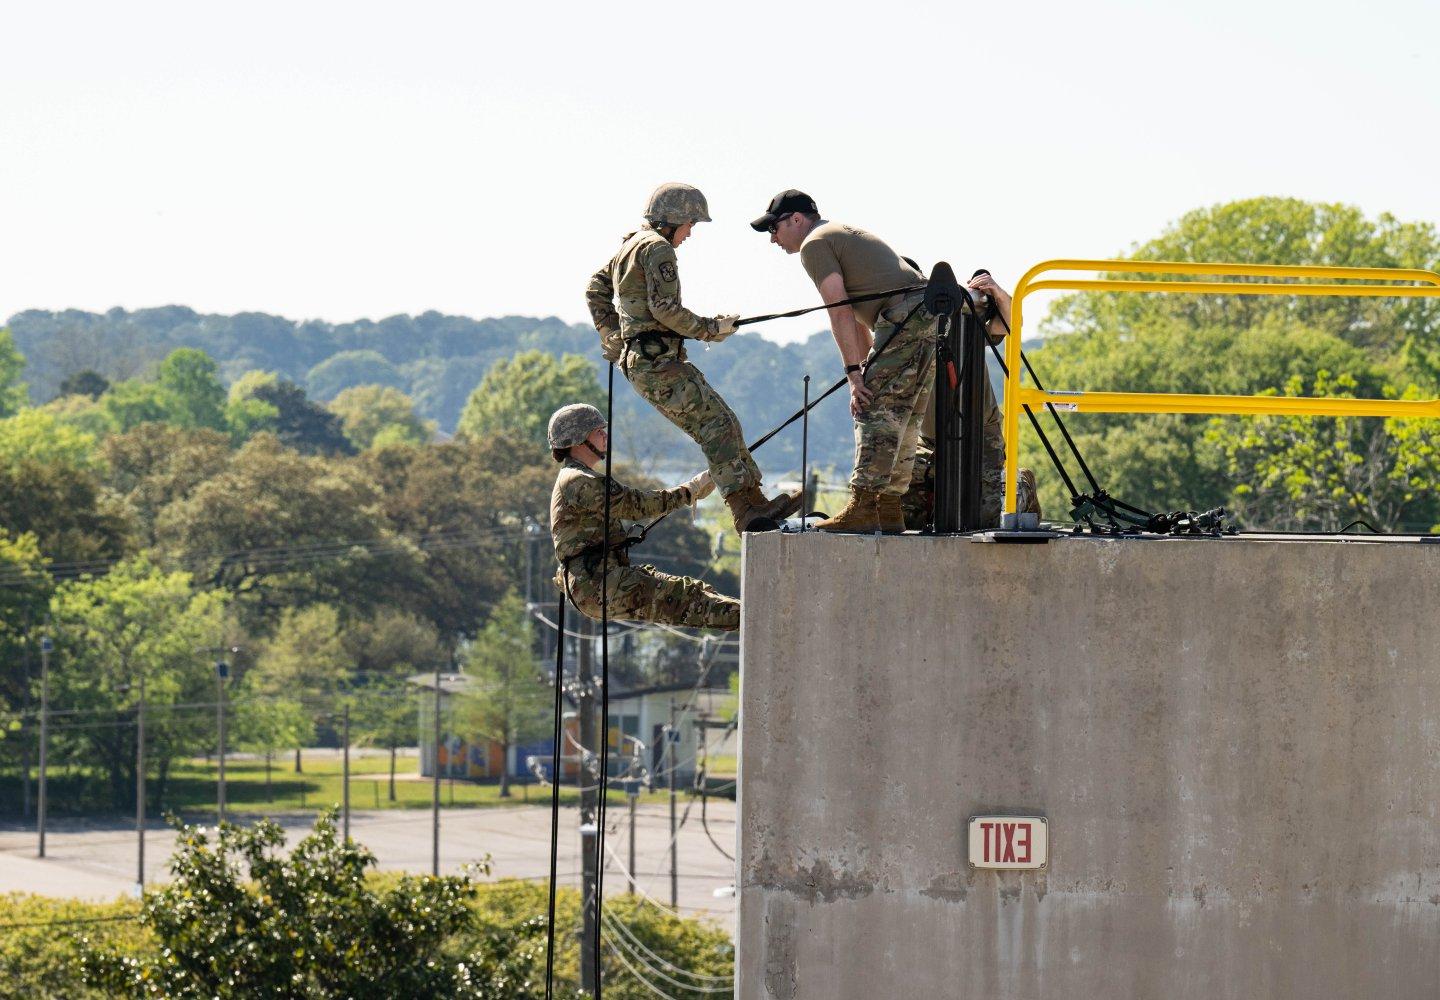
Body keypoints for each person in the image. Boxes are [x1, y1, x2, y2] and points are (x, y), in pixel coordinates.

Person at [586, 182, 800, 533]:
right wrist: (711, 328)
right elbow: (665, 309)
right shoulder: (657, 249)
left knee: (723, 423)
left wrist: (609, 332)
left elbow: (595, 287)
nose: (690, 233)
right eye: (691, 225)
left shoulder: (631, 246)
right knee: (716, 428)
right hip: (656, 362)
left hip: (650, 362)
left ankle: (753, 502)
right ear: (673, 219)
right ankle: (745, 509)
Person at [753, 189, 932, 533]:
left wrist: (855, 376)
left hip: (905, 316)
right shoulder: (838, 233)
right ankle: (889, 508)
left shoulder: (814, 244)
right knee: (904, 415)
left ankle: (864, 505)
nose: (772, 239)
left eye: (774, 228)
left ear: (796, 220)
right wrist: (866, 366)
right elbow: (856, 311)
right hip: (926, 312)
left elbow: (838, 309)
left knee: (873, 407)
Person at [547, 403, 739, 631]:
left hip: (598, 582)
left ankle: (754, 616)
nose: (605, 436)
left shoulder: (575, 477)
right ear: (578, 439)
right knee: (690, 601)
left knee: (694, 595)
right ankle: (761, 618)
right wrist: (690, 491)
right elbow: (635, 505)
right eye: (598, 431)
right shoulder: (578, 480)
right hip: (597, 585)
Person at [900, 271, 1043, 530]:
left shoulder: (966, 325)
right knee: (905, 515)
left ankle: (1019, 484)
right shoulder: (901, 335)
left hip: (980, 435)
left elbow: (1011, 323)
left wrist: (997, 293)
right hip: (929, 440)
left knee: (984, 518)